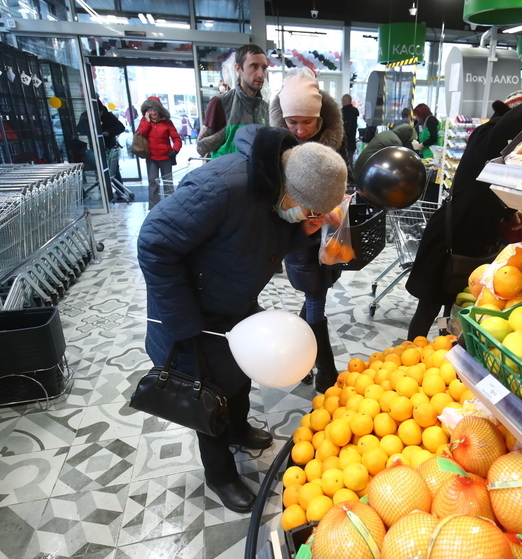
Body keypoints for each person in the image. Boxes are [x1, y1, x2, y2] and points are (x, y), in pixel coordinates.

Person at [138, 124, 348, 513]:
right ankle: (220, 474)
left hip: (233, 300)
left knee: (238, 373)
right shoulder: (222, 188)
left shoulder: (274, 192)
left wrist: (305, 230)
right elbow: (154, 244)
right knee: (207, 389)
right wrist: (184, 323)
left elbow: (268, 238)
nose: (309, 215)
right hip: (191, 310)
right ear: (289, 189)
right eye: (308, 209)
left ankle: (238, 427)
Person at [405, 94, 522, 340]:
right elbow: (511, 122)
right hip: (448, 240)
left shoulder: (501, 147)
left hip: (468, 241)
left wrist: (510, 210)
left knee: (455, 310)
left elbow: (485, 190)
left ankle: (442, 355)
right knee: (428, 307)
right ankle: (411, 356)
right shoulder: (487, 135)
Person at [269, 69, 347, 393]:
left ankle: (299, 361)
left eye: (307, 122)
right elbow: (275, 203)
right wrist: (308, 211)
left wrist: (339, 204)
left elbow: (344, 183)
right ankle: (327, 373)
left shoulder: (336, 144)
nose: (300, 130)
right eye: (292, 122)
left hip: (330, 238)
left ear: (320, 119)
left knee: (316, 298)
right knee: (316, 302)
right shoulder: (274, 151)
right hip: (298, 239)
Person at [196, 44, 269, 158]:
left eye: (264, 68)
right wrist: (230, 131)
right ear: (238, 68)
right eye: (254, 66)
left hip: (257, 173)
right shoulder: (219, 103)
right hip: (226, 173)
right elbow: (201, 147)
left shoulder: (265, 107)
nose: (261, 74)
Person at [136, 96, 182, 210]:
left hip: (166, 157)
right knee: (153, 182)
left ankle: (170, 206)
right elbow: (140, 135)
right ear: (147, 111)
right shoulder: (144, 122)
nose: (153, 112)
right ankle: (154, 207)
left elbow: (177, 139)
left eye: (155, 109)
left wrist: (175, 150)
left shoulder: (167, 122)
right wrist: (146, 122)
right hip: (151, 157)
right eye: (150, 110)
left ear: (160, 109)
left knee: (168, 182)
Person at [352, 124, 416, 182]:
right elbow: (400, 163)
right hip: (366, 174)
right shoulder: (395, 142)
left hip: (362, 168)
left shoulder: (387, 133)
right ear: (406, 136)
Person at [340, 93, 359, 166]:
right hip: (352, 141)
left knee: (345, 163)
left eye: (342, 101)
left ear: (345, 101)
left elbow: (346, 129)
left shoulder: (343, 113)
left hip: (345, 142)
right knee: (350, 162)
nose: (341, 103)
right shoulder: (354, 112)